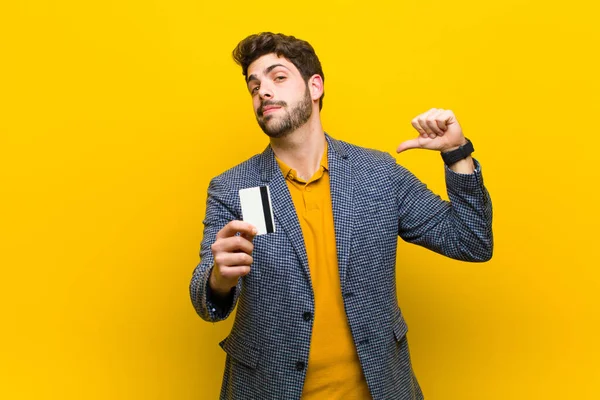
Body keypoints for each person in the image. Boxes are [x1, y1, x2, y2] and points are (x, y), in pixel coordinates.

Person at [189, 32, 493, 400]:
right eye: (254, 86)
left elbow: (472, 241)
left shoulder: (379, 174)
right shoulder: (233, 187)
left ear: (314, 85)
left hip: (380, 389)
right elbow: (206, 301)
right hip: (268, 389)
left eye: (278, 77)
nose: (263, 92)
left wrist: (458, 153)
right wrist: (219, 278)